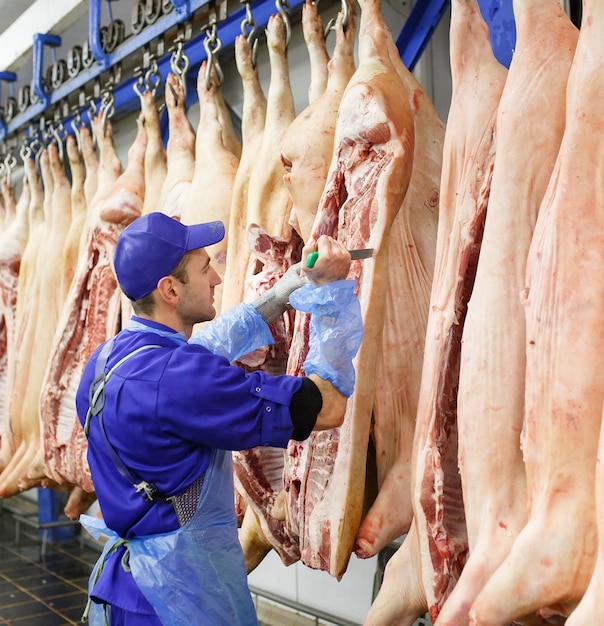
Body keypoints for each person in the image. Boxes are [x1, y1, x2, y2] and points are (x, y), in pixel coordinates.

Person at [75, 211, 364, 626]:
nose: (215, 279)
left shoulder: (106, 362)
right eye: (205, 268)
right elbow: (328, 405)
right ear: (170, 289)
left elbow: (205, 348)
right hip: (180, 601)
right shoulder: (181, 381)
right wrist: (333, 297)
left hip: (124, 591)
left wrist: (287, 289)